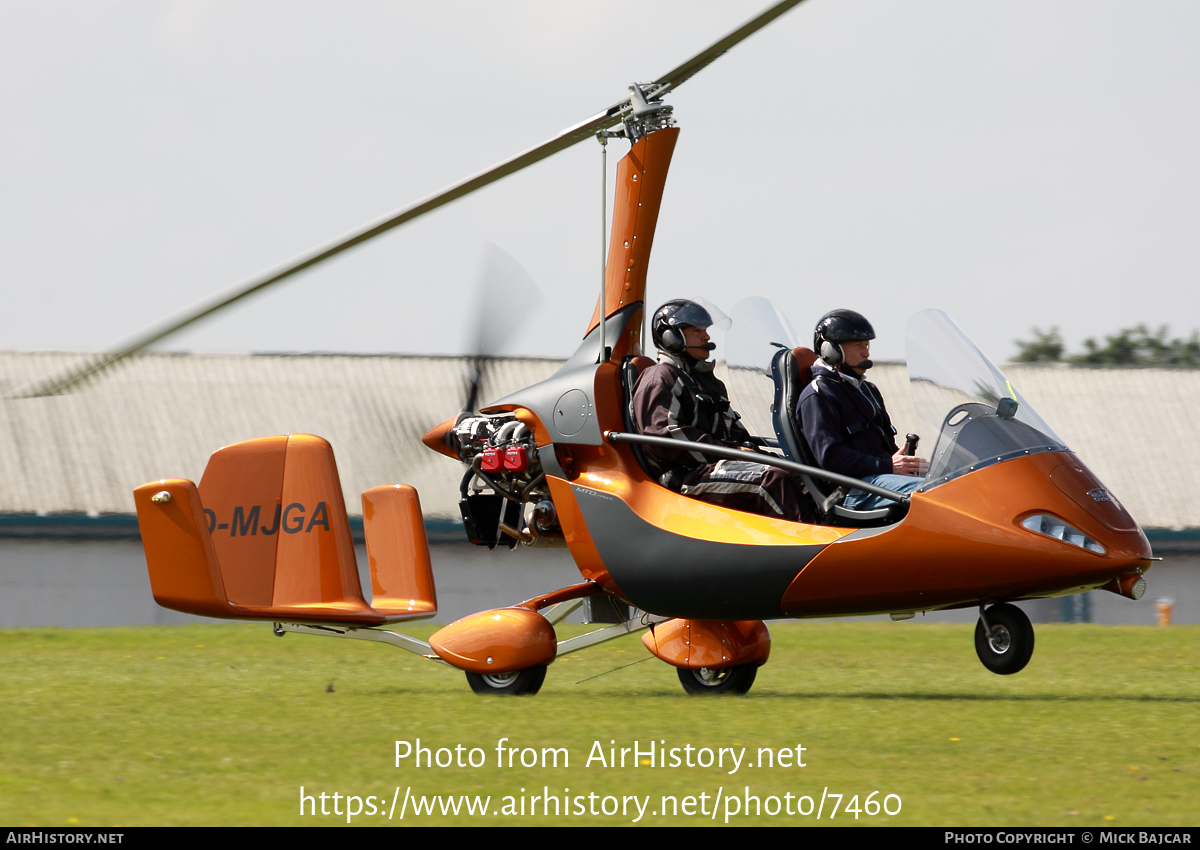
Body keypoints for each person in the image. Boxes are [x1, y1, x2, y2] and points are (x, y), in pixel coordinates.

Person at [632, 299, 812, 523]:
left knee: (799, 473)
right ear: (671, 337)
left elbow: (734, 432)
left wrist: (749, 450)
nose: (706, 337)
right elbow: (664, 437)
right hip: (685, 476)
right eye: (697, 331)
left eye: (706, 330)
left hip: (716, 465)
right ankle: (805, 545)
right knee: (773, 479)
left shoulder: (710, 383)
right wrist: (728, 452)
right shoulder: (660, 377)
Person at [796, 309, 927, 511]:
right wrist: (887, 466)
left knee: (951, 482)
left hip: (878, 478)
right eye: (858, 346)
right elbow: (830, 456)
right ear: (831, 350)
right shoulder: (818, 395)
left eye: (866, 345)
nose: (866, 352)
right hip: (850, 489)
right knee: (929, 493)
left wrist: (899, 459)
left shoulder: (868, 390)